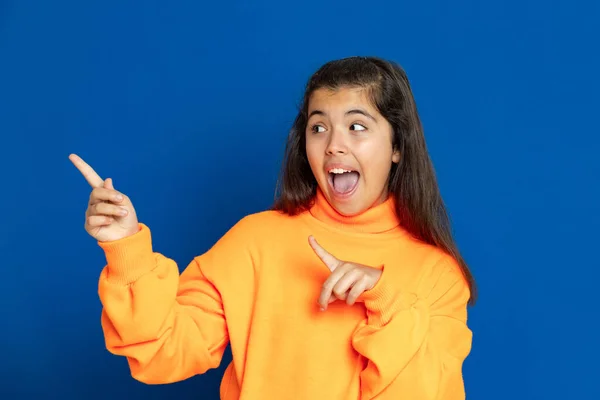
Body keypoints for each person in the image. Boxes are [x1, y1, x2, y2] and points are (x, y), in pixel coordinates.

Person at [70, 56, 477, 400]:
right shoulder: (255, 240)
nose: (333, 144)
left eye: (356, 126)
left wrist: (385, 298)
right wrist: (125, 249)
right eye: (319, 127)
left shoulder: (437, 275)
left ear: (397, 148)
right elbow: (164, 349)